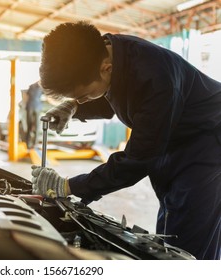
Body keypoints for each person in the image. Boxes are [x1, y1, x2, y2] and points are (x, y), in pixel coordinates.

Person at [31, 21, 221, 260]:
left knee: (190, 241)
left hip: (206, 142)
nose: (82, 100)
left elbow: (136, 162)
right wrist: (74, 108)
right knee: (170, 231)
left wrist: (69, 186)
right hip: (171, 138)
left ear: (105, 68)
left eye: (81, 96)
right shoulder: (108, 51)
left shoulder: (156, 78)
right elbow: (114, 92)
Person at [25, 81, 44, 148]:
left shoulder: (31, 86)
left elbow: (26, 97)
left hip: (30, 106)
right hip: (36, 107)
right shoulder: (41, 87)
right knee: (36, 126)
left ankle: (28, 144)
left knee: (30, 126)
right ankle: (34, 144)